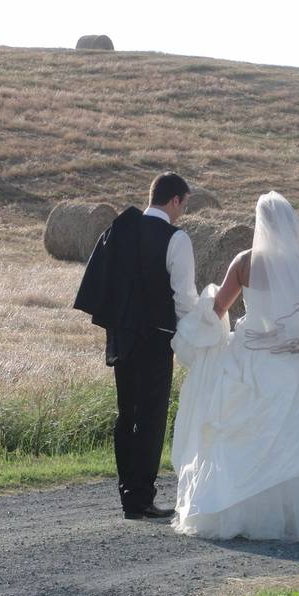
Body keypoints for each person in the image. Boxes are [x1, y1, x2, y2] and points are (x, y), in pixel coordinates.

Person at [170, 191, 299, 541]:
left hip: (251, 358)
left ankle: (240, 512)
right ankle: (292, 514)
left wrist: (200, 327)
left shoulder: (244, 262)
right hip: (291, 363)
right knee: (292, 435)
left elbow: (219, 308)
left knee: (244, 433)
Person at [74, 172, 198, 519]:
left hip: (122, 336)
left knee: (126, 414)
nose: (182, 212)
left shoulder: (120, 229)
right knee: (151, 417)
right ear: (174, 200)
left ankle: (128, 495)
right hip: (157, 338)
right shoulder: (177, 239)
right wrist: (194, 331)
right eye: (184, 205)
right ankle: (142, 497)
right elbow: (184, 297)